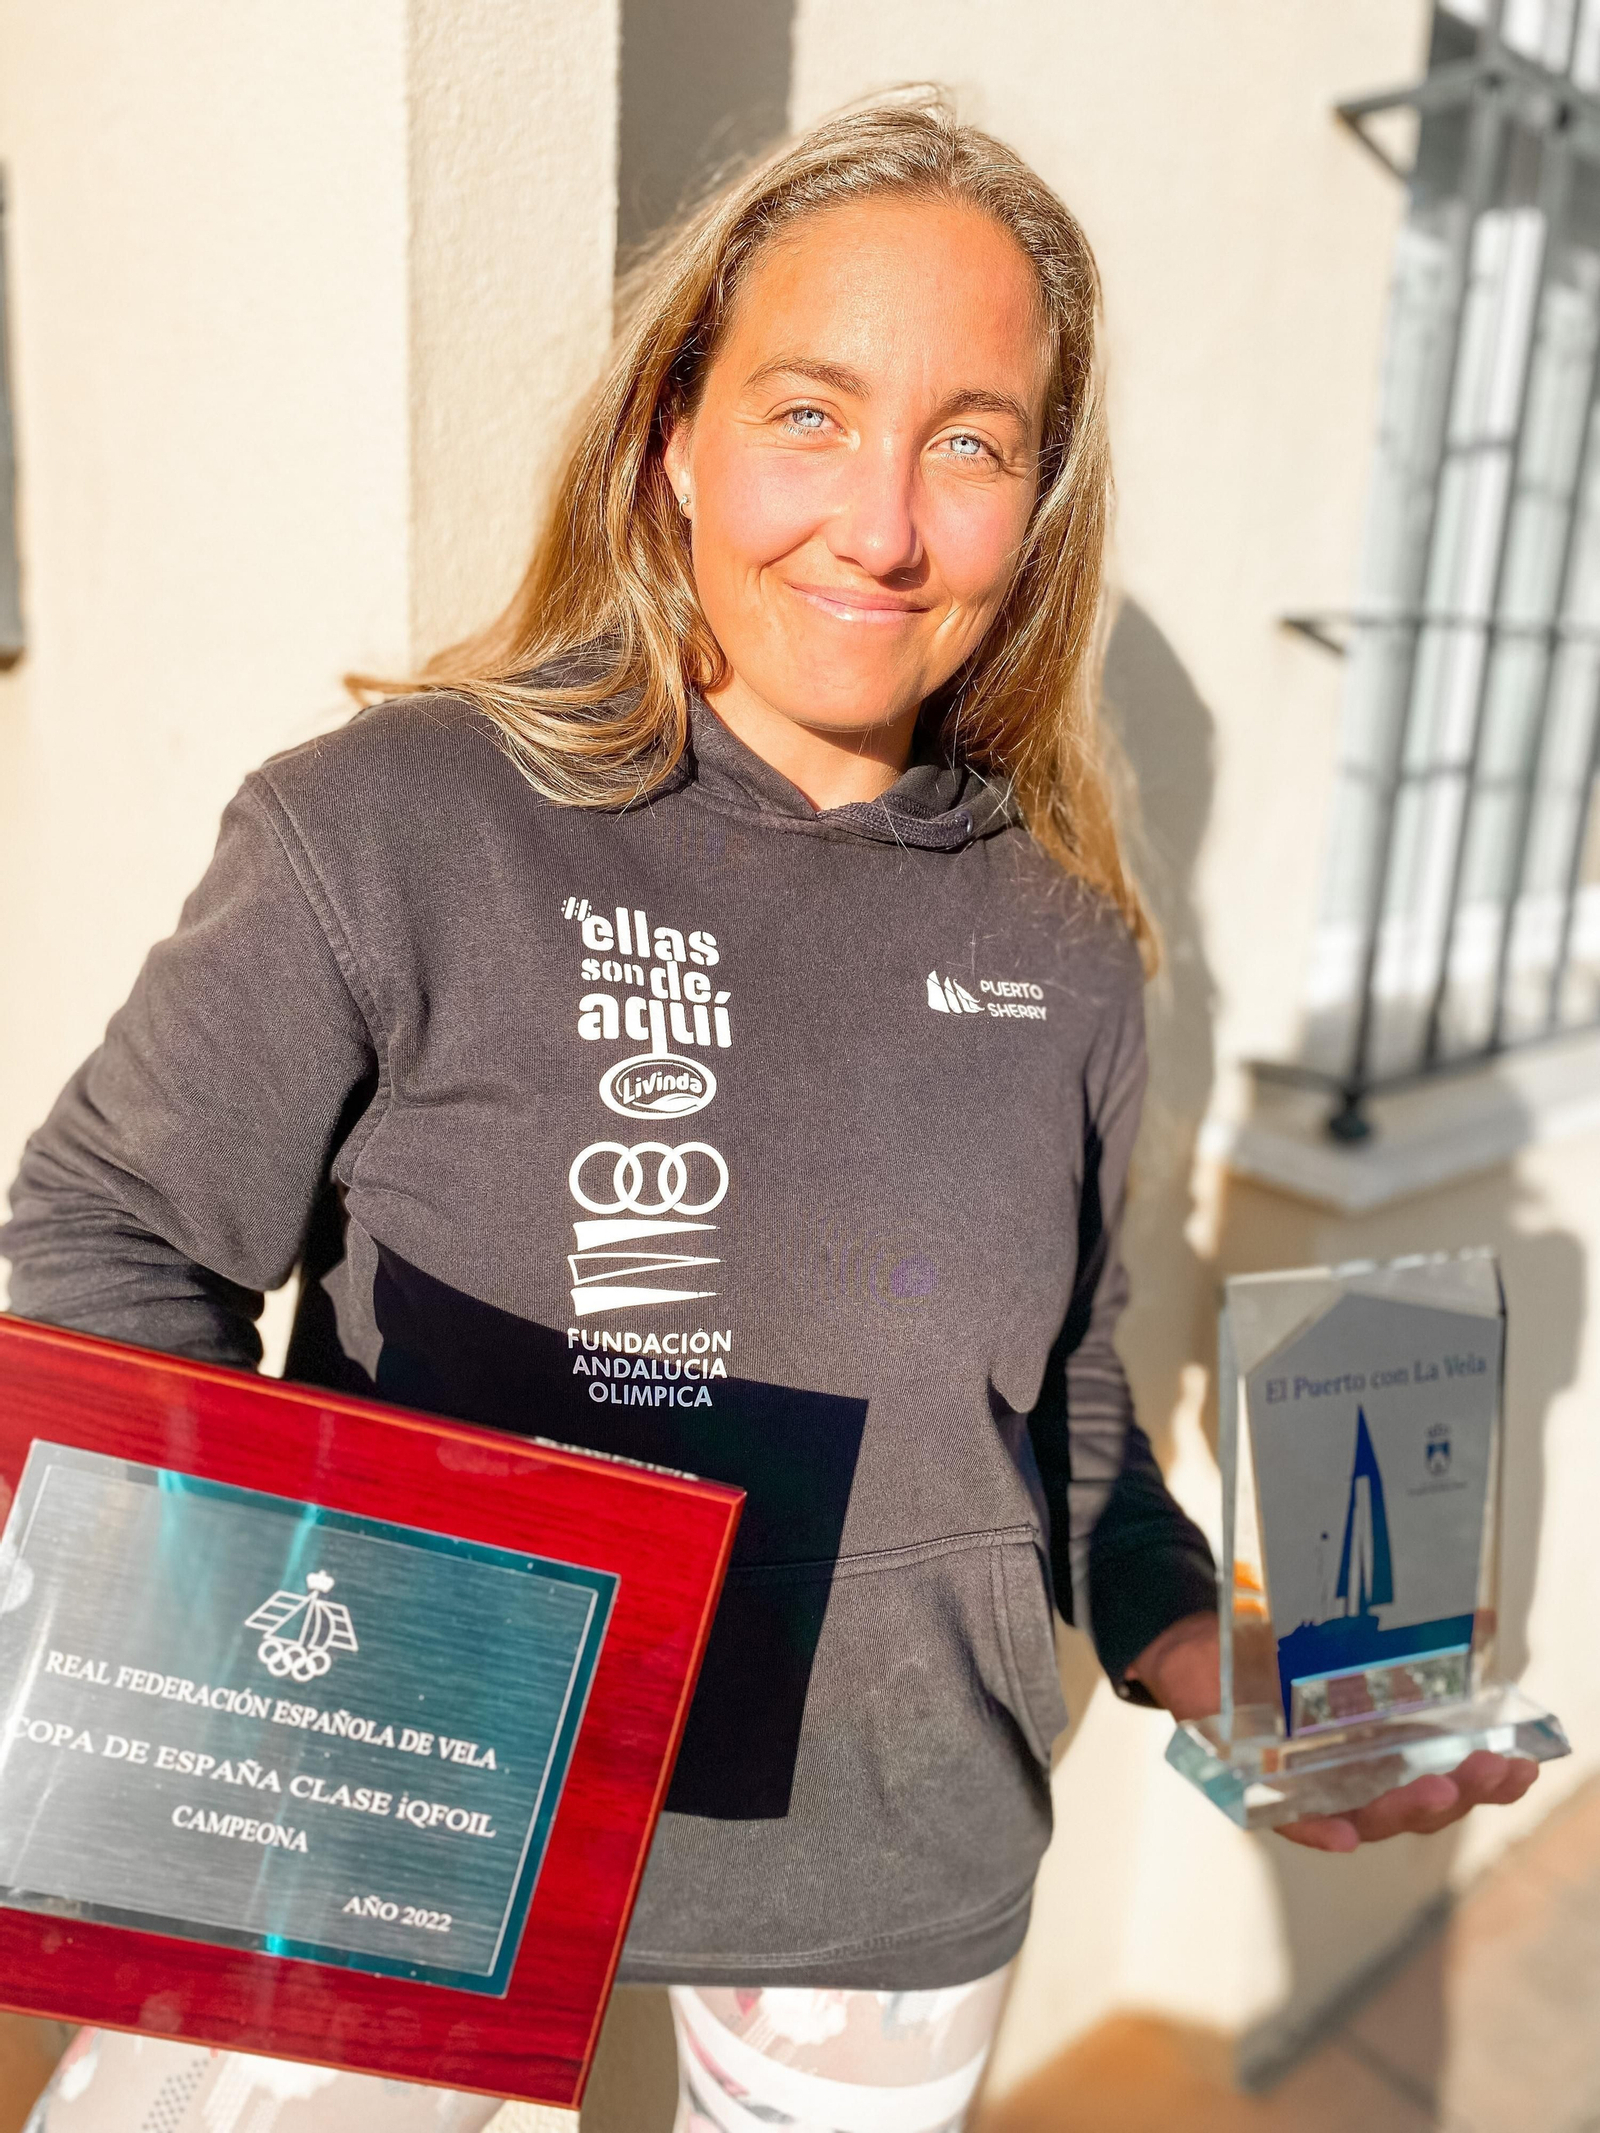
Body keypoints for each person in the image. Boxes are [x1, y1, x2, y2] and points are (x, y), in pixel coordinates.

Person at [2, 95, 1536, 2133]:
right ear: (675, 439)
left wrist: (1203, 1649)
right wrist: (248, 1665)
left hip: (878, 1875)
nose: (882, 526)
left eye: (970, 442)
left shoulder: (1067, 941)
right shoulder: (397, 825)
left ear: (1039, 502)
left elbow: (1066, 1412)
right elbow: (108, 1237)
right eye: (809, 412)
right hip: (392, 1837)